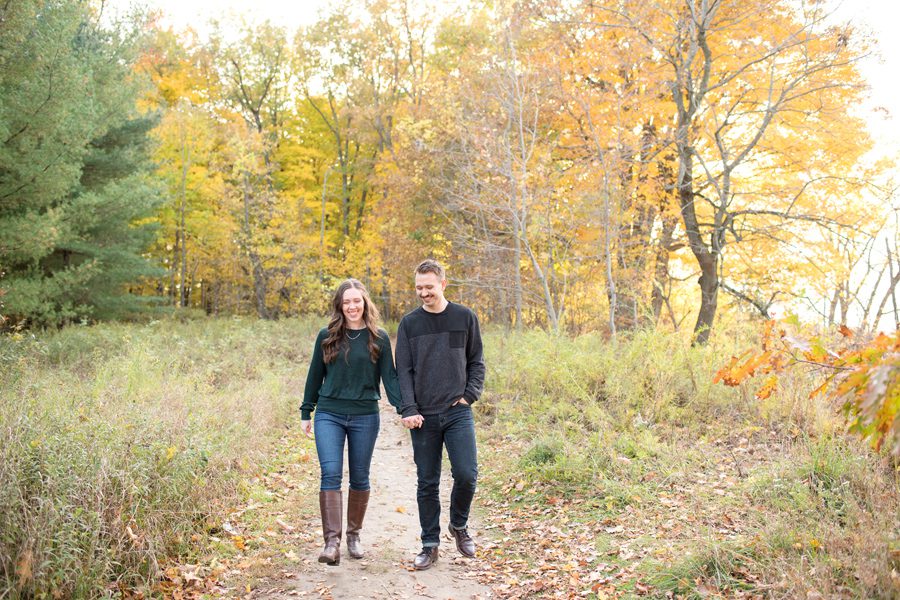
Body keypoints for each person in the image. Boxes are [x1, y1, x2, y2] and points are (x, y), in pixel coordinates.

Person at [301, 279, 402, 566]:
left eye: (357, 301)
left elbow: (390, 379)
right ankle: (331, 543)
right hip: (329, 414)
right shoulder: (327, 335)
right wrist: (306, 412)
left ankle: (353, 536)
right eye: (346, 302)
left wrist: (404, 408)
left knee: (360, 476)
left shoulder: (378, 337)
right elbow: (314, 376)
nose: (352, 306)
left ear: (365, 303)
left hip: (365, 416)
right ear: (340, 305)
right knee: (330, 474)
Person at [395, 259, 485, 570]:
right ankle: (429, 544)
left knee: (466, 474)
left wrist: (469, 395)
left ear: (443, 284)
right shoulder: (409, 323)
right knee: (427, 481)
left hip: (457, 412)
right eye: (419, 288)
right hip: (423, 416)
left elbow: (476, 362)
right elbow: (402, 372)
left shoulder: (464, 317)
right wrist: (408, 408)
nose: (423, 293)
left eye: (429, 287)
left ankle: (458, 525)